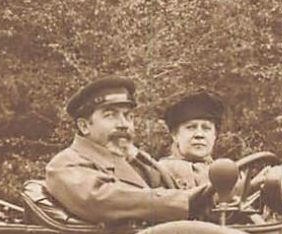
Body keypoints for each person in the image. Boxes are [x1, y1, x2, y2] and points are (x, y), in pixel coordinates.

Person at [44, 76, 211, 224]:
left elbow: (179, 192)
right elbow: (103, 199)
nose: (123, 124)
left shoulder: (137, 161)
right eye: (110, 115)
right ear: (84, 126)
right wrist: (183, 200)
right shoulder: (65, 165)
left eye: (128, 116)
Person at [157, 90, 226, 189]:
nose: (199, 135)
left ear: (214, 135)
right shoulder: (160, 172)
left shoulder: (227, 173)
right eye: (191, 127)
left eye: (206, 128)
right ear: (175, 135)